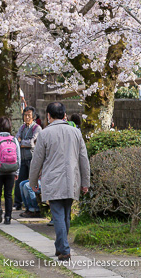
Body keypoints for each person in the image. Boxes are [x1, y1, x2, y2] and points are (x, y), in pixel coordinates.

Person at [29, 102, 90, 262]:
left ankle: (64, 250)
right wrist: (85, 182)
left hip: (53, 180)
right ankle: (60, 246)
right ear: (64, 115)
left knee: (58, 216)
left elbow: (37, 161)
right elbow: (84, 159)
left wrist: (32, 181)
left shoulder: (45, 134)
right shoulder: (76, 133)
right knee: (66, 215)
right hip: (72, 180)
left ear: (48, 116)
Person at [14, 106, 42, 211]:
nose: (26, 117)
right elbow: (16, 139)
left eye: (29, 115)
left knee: (32, 181)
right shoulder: (22, 127)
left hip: (32, 158)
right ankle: (18, 203)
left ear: (33, 116)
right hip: (22, 158)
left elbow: (32, 143)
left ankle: (33, 205)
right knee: (19, 181)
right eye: (25, 115)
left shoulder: (37, 128)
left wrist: (22, 142)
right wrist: (22, 142)